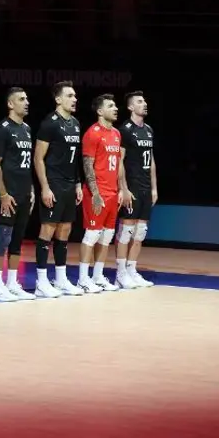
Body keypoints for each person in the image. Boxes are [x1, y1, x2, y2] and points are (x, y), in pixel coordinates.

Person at [33, 80, 84, 297]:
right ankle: (41, 281)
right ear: (58, 99)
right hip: (53, 183)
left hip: (70, 185)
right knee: (48, 230)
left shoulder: (75, 123)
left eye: (75, 96)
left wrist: (78, 184)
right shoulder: (49, 123)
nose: (74, 99)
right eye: (70, 96)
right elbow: (38, 158)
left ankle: (61, 279)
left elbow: (76, 158)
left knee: (65, 230)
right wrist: (45, 187)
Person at [0, 87, 37, 301]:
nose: (26, 102)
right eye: (21, 99)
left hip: (25, 192)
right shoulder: (2, 130)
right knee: (4, 238)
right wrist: (3, 194)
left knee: (17, 239)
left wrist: (32, 189)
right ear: (10, 104)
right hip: (9, 194)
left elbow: (26, 165)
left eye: (27, 99)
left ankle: (12, 283)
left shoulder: (26, 129)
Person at [77, 94, 125, 293]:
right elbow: (87, 165)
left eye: (115, 105)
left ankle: (97, 276)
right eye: (110, 106)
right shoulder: (92, 133)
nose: (115, 108)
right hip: (97, 193)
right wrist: (95, 193)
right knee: (92, 235)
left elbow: (118, 164)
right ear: (100, 111)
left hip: (113, 193)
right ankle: (83, 279)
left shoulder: (116, 133)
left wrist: (120, 189)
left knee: (106, 236)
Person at [116, 91, 156, 288]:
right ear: (131, 107)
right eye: (140, 101)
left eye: (145, 101)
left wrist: (154, 188)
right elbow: (119, 161)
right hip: (131, 187)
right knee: (126, 231)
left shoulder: (148, 130)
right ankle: (120, 273)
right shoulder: (125, 130)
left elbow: (151, 160)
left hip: (146, 188)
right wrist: (123, 188)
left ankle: (132, 270)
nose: (144, 104)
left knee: (140, 232)